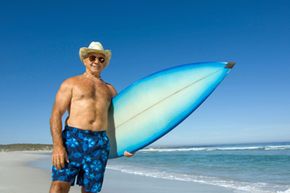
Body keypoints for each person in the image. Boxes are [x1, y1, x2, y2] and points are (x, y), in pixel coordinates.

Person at [49, 41, 133, 193]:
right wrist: (57, 146)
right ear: (85, 59)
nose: (96, 61)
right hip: (73, 139)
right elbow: (56, 114)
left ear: (104, 63)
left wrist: (128, 145)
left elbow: (120, 120)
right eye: (92, 57)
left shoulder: (110, 89)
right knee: (59, 186)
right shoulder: (71, 83)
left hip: (99, 143)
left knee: (90, 190)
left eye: (101, 59)